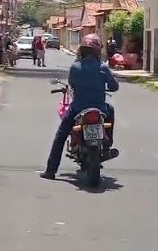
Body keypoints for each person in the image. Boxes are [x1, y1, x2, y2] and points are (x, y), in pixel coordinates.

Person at [40, 34, 117, 180]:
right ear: (97, 51)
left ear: (82, 50)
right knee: (111, 111)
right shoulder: (102, 67)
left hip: (78, 109)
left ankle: (50, 171)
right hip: (100, 108)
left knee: (61, 136)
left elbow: (72, 85)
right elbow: (114, 86)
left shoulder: (75, 67)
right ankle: (107, 143)